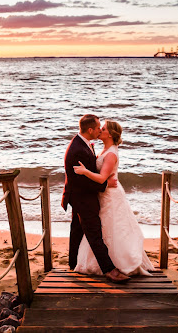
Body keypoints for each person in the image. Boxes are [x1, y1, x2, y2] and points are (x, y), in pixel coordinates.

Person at [73, 120, 154, 276]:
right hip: (104, 194)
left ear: (109, 133)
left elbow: (102, 178)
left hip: (110, 196)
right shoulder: (105, 150)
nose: (99, 130)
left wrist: (84, 172)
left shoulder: (111, 154)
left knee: (113, 227)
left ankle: (120, 262)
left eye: (102, 129)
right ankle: (104, 262)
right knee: (103, 227)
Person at [61, 114, 131, 283]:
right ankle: (109, 270)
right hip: (82, 197)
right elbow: (81, 181)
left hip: (80, 195)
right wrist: (105, 184)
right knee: (94, 233)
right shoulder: (78, 149)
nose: (100, 129)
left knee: (77, 229)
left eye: (103, 127)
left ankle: (73, 263)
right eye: (99, 127)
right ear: (90, 130)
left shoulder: (85, 144)